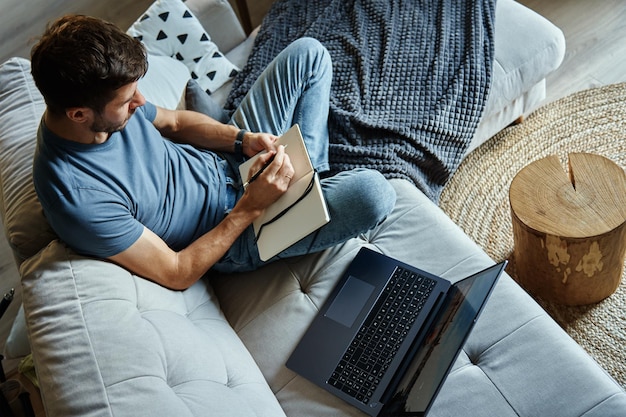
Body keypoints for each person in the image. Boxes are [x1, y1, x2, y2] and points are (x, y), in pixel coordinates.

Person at [30, 15, 396, 290]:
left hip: (230, 166)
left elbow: (174, 123)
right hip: (235, 230)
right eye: (127, 101)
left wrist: (241, 139)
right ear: (79, 115)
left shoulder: (104, 109)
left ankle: (303, 187)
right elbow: (176, 272)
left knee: (309, 54)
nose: (141, 103)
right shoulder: (77, 199)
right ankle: (302, 192)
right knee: (374, 193)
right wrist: (252, 205)